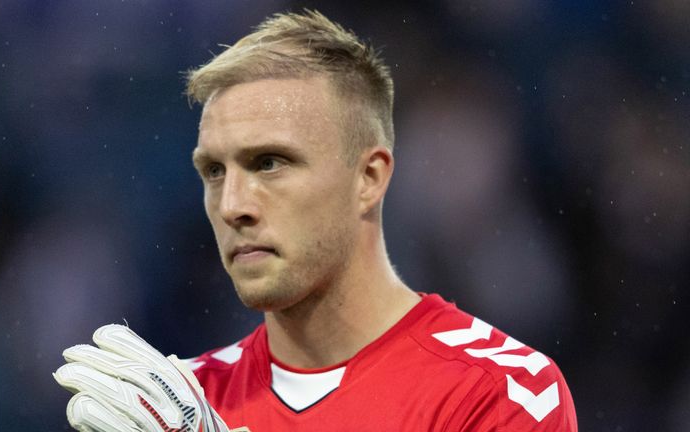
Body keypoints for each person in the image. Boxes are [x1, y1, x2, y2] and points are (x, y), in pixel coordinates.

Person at [55, 9, 577, 431]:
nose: (233, 203)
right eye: (214, 171)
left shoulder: (495, 392)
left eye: (270, 163)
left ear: (368, 178)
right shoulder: (175, 403)